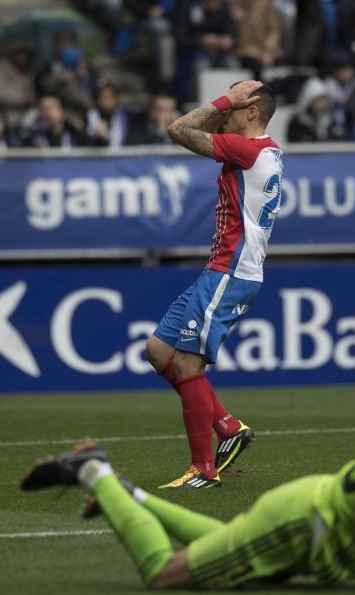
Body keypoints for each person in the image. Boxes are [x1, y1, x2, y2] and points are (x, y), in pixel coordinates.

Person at [20, 404, 355, 591]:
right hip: (300, 527)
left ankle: (129, 495)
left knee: (225, 543)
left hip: (309, 521)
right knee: (165, 575)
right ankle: (96, 472)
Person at [140, 80, 281, 489]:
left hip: (229, 272)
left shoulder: (249, 150)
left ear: (252, 112)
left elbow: (179, 130)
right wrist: (227, 106)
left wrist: (223, 100)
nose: (226, 113)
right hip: (222, 270)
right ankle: (228, 426)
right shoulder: (264, 151)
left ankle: (203, 469)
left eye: (237, 106)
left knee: (187, 363)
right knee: (159, 350)